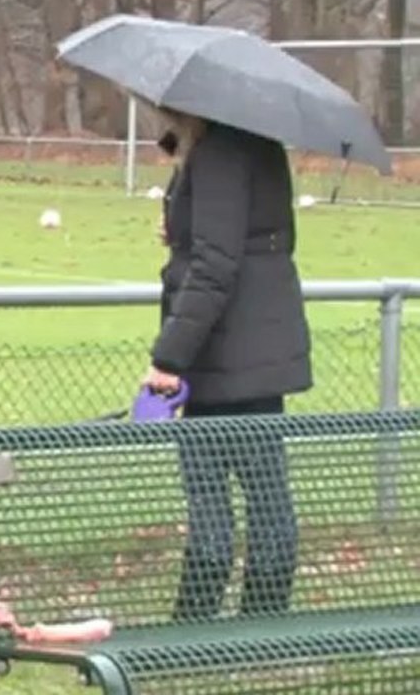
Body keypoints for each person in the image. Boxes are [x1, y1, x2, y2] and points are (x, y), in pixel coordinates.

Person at [143, 108, 312, 621]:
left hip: (222, 357)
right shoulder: (260, 145)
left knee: (215, 502)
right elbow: (254, 238)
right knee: (267, 495)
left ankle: (197, 621)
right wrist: (182, 229)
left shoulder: (218, 154)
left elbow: (215, 266)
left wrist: (169, 359)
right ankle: (262, 618)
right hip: (258, 351)